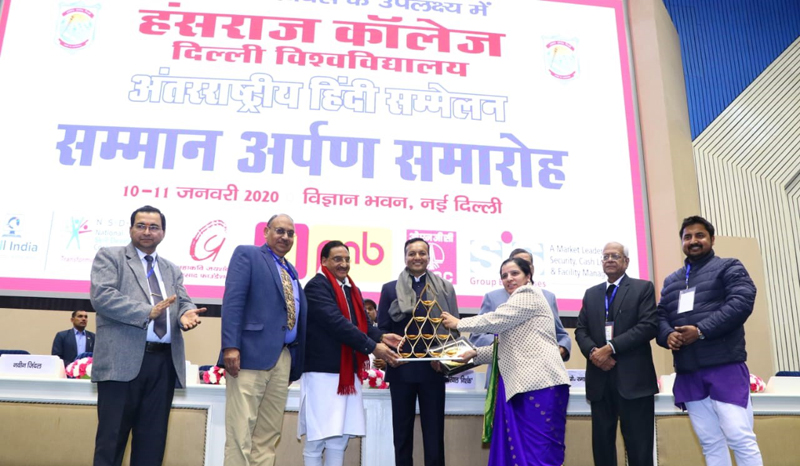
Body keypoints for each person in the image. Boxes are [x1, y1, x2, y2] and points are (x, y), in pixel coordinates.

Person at [90, 205, 206, 466]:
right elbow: (102, 297)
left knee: (152, 445)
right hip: (122, 363)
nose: (147, 231)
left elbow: (182, 301)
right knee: (111, 443)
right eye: (141, 225)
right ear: (131, 229)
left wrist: (185, 313)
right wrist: (147, 311)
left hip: (163, 364)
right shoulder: (111, 256)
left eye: (154, 227)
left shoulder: (171, 269)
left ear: (163, 233)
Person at [441, 257, 570, 466]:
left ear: (528, 276)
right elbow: (505, 348)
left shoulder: (528, 294)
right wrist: (473, 353)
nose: (509, 278)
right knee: (523, 451)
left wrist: (459, 323)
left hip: (540, 384)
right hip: (524, 386)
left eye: (515, 273)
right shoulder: (515, 305)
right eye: (504, 276)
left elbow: (495, 320)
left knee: (540, 452)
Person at [656, 216, 762, 466]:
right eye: (687, 237)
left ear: (712, 239)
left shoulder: (729, 266)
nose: (693, 241)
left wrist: (701, 330)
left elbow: (741, 302)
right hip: (689, 371)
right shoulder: (672, 281)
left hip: (724, 366)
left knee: (739, 438)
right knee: (710, 443)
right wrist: (667, 334)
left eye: (699, 235)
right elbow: (660, 316)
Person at [299, 241, 402, 466]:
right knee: (317, 439)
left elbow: (362, 323)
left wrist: (382, 337)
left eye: (347, 260)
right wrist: (373, 347)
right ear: (323, 261)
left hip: (347, 373)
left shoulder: (350, 289)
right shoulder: (316, 287)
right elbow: (337, 323)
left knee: (339, 440)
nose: (344, 264)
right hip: (322, 373)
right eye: (337, 259)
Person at [220, 213, 308, 466]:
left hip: (283, 357)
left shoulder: (291, 270)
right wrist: (230, 346)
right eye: (279, 231)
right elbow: (233, 302)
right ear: (266, 232)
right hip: (249, 355)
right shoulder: (248, 255)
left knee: (268, 434)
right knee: (240, 431)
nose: (285, 237)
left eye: (290, 233)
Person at [574, 242, 658, 466]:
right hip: (600, 381)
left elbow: (648, 326)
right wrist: (594, 353)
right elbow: (581, 330)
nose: (609, 260)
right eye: (605, 256)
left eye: (615, 256)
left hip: (634, 382)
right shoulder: (591, 294)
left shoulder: (642, 288)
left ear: (626, 262)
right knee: (602, 448)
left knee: (639, 448)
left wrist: (610, 348)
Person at [377, 237, 459, 466]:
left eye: (422, 253)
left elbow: (453, 329)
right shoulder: (390, 289)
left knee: (434, 435)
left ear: (429, 257)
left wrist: (444, 360)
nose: (417, 257)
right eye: (412, 253)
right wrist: (390, 355)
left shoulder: (444, 288)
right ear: (405, 257)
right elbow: (382, 330)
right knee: (402, 434)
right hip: (400, 369)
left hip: (433, 369)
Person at [469, 248, 571, 389]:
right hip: (502, 374)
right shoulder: (492, 298)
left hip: (540, 377)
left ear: (530, 270)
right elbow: (476, 336)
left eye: (524, 264)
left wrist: (561, 349)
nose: (511, 277)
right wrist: (504, 344)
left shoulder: (547, 297)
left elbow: (561, 335)